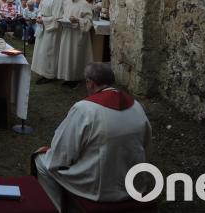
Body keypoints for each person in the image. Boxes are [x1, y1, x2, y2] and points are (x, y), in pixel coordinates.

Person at [32, 63, 151, 210]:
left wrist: (50, 154)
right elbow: (145, 145)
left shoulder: (85, 109)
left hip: (97, 187)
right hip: (133, 182)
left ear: (90, 83)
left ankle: (57, 208)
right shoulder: (136, 106)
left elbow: (62, 153)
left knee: (41, 161)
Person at [58, 0, 94, 87]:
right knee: (66, 55)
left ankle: (76, 78)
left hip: (78, 34)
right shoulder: (66, 2)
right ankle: (67, 77)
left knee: (75, 56)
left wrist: (78, 20)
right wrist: (62, 20)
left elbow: (89, 21)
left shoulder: (85, 4)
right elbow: (64, 15)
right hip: (67, 33)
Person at [31, 0, 65, 84]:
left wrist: (44, 20)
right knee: (41, 50)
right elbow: (40, 9)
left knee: (49, 51)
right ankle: (42, 71)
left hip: (51, 30)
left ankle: (50, 74)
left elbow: (57, 17)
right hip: (43, 27)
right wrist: (39, 16)